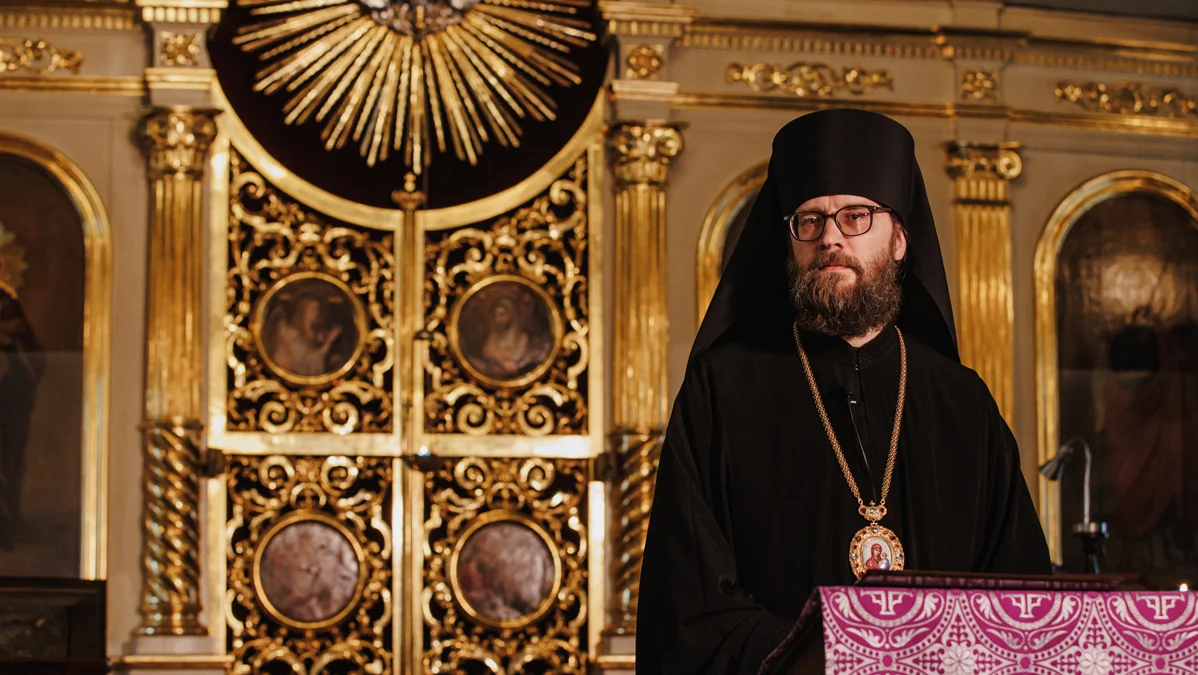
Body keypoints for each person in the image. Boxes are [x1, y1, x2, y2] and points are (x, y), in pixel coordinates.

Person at [635, 109, 1051, 675]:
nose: (830, 236)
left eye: (856, 216)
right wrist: (830, 656)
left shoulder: (963, 404)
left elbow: (1022, 599)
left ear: (900, 238)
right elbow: (688, 604)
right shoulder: (722, 390)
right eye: (809, 220)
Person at [271, 293, 343, 377]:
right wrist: (329, 341)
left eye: (318, 309)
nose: (316, 313)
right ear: (303, 311)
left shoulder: (315, 332)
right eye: (313, 309)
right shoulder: (292, 335)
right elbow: (308, 364)